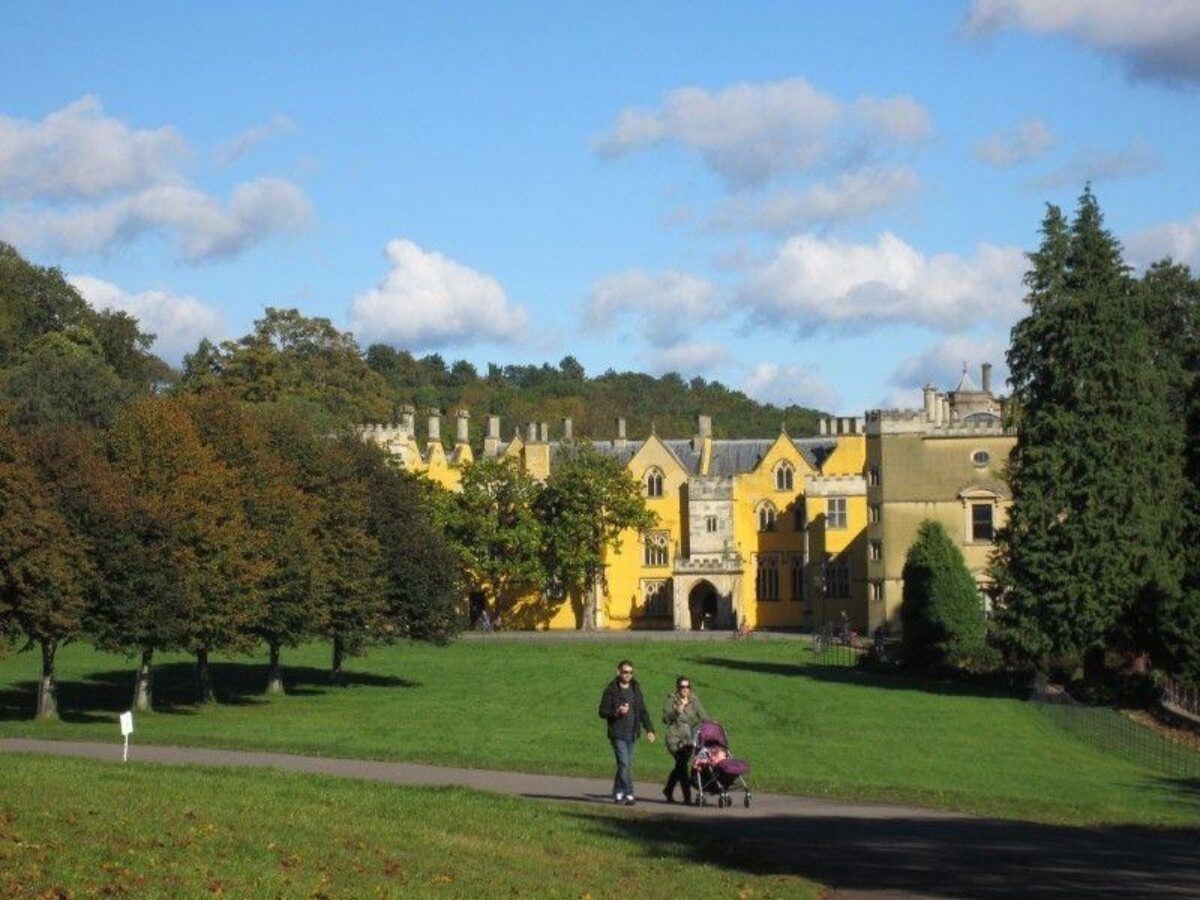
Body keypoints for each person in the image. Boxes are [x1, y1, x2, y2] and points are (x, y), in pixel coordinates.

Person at [598, 659, 655, 805]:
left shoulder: (636, 689)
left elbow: (642, 711)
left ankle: (618, 792)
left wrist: (649, 729)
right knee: (624, 764)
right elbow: (602, 712)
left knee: (626, 765)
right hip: (617, 733)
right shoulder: (611, 690)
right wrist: (616, 712)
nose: (628, 675)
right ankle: (629, 794)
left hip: (632, 733)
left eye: (631, 672)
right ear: (618, 672)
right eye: (625, 672)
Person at [661, 675, 708, 804]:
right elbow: (665, 719)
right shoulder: (672, 699)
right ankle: (687, 798)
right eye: (682, 687)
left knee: (679, 766)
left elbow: (703, 716)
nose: (685, 689)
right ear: (677, 688)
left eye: (687, 687)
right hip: (674, 737)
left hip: (689, 739)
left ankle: (668, 790)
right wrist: (676, 711)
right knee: (682, 766)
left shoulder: (694, 700)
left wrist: (712, 724)